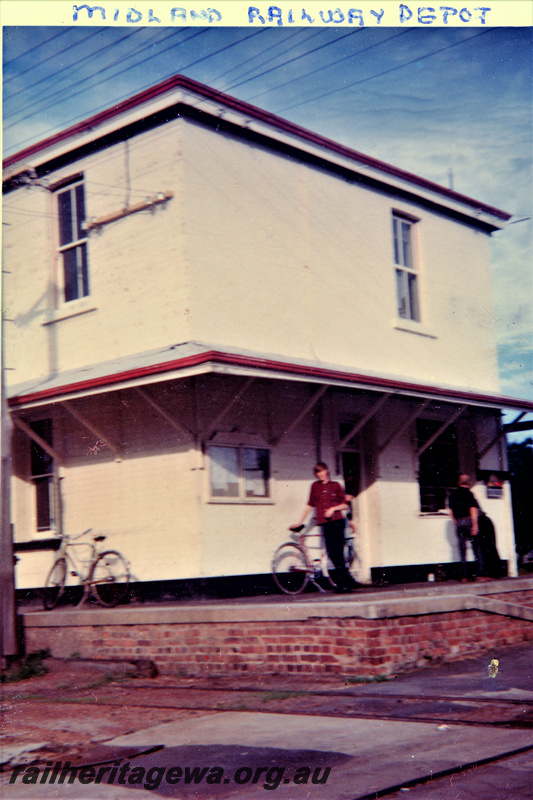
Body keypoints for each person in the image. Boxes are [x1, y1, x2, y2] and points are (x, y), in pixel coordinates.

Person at [292, 462, 358, 593]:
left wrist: (333, 509)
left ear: (327, 471)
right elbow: (310, 504)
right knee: (333, 553)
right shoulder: (314, 486)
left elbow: (345, 505)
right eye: (317, 472)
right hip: (325, 523)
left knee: (337, 552)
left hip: (338, 521)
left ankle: (343, 584)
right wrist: (300, 522)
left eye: (322, 471)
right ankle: (347, 581)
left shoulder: (336, 485)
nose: (320, 474)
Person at [448, 474, 487, 582]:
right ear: (469, 482)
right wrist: (475, 525)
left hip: (459, 523)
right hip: (469, 521)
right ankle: (480, 574)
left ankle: (464, 576)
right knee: (476, 549)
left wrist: (456, 522)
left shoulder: (452, 495)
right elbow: (473, 509)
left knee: (462, 550)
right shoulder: (469, 494)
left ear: (458, 482)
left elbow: (451, 512)